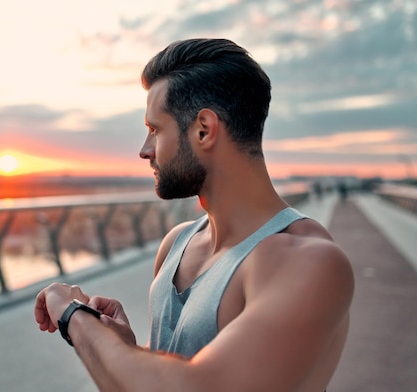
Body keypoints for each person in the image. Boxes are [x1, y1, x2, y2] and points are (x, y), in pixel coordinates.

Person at [34, 38, 354, 391]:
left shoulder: (307, 261)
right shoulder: (178, 243)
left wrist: (74, 318)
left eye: (155, 130)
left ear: (204, 129)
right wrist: (126, 349)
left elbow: (199, 386)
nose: (144, 150)